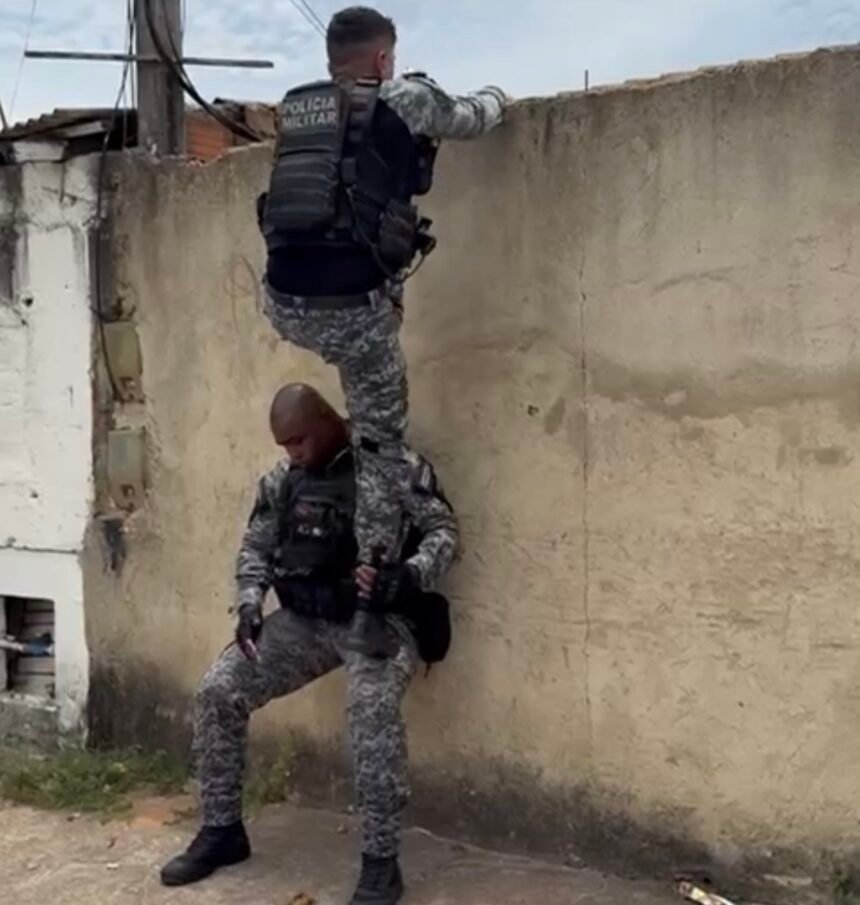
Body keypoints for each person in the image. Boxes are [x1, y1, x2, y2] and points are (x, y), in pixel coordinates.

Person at [161, 384, 460, 905]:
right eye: (285, 445)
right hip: (307, 620)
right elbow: (256, 547)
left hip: (380, 621)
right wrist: (250, 603)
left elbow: (444, 532)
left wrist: (411, 575)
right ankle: (222, 830)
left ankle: (381, 862)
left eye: (299, 440)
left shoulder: (391, 466)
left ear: (327, 420)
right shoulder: (284, 480)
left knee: (370, 709)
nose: (293, 453)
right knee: (219, 689)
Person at [257, 6, 505, 612]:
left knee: (358, 362)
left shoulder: (300, 108)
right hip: (350, 308)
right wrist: (498, 97)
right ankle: (372, 571)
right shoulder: (403, 97)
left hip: (283, 301)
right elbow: (471, 117)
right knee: (380, 445)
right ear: (382, 58)